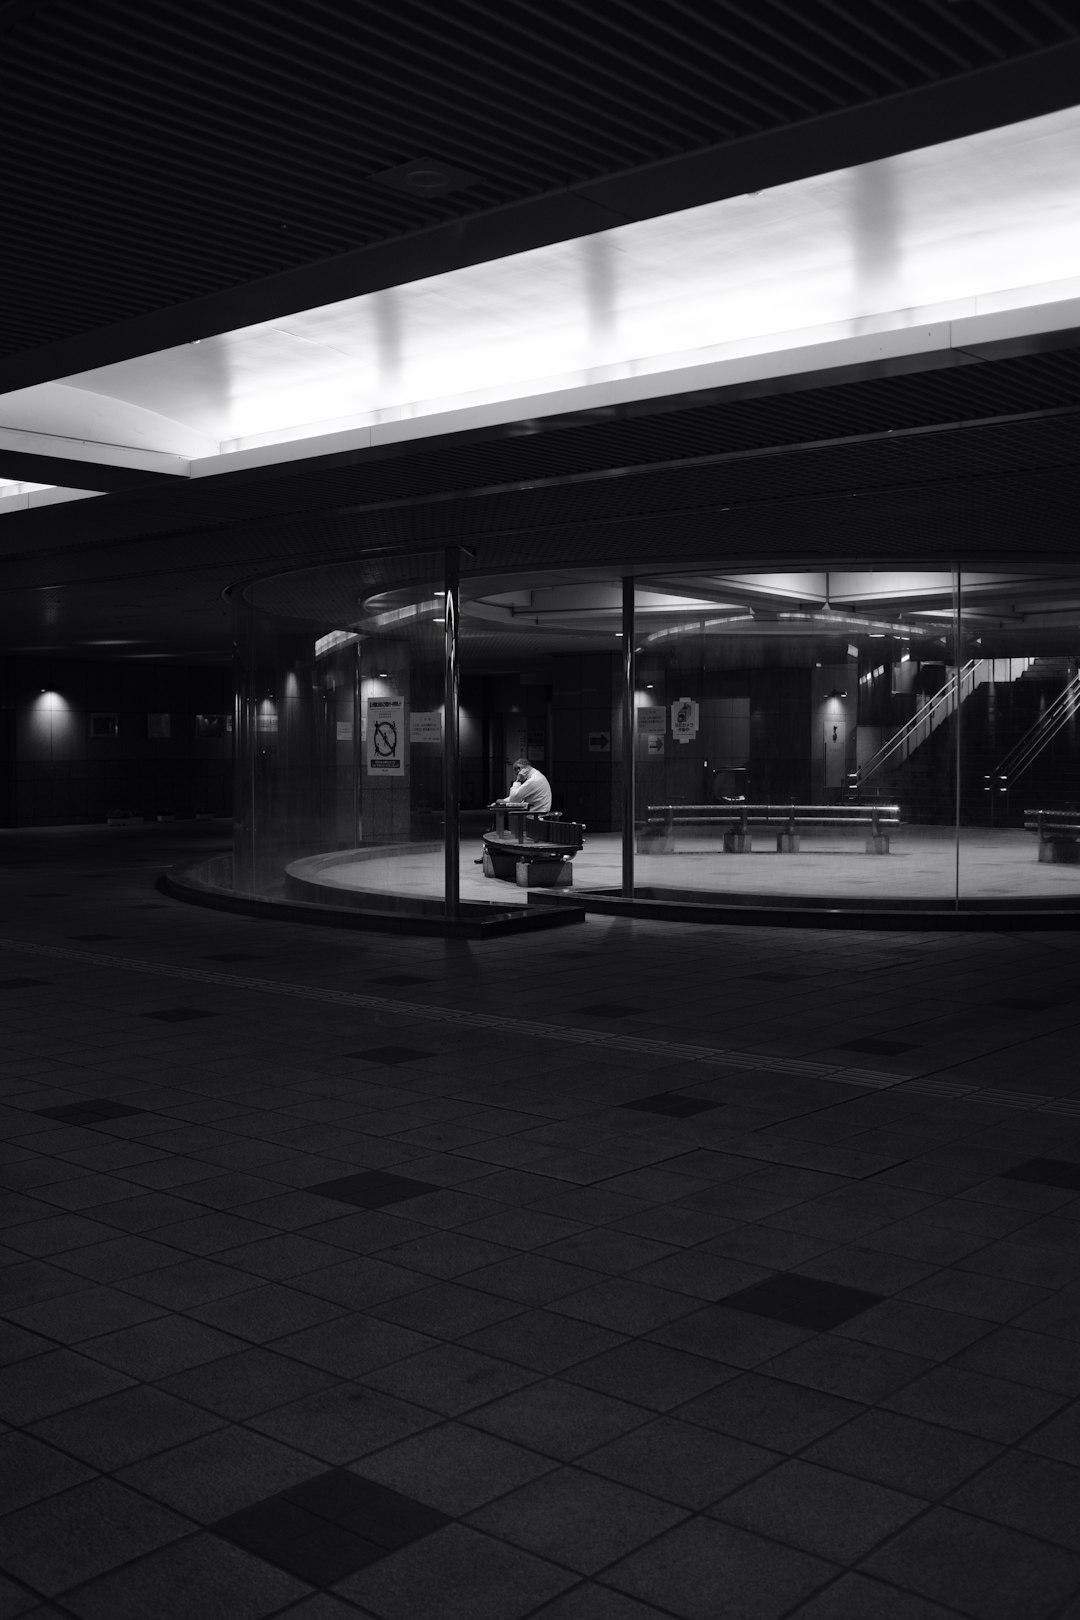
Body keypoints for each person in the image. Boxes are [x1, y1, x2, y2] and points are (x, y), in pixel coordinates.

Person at [475, 758, 553, 860]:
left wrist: (517, 780)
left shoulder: (533, 780)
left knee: (502, 818)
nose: (516, 773)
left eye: (517, 770)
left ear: (521, 769)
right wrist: (502, 801)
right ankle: (490, 848)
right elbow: (518, 796)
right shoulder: (535, 777)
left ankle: (493, 848)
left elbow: (514, 797)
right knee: (500, 811)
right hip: (533, 814)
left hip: (534, 817)